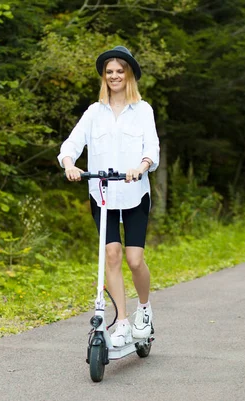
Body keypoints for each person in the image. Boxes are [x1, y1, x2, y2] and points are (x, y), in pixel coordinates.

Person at [57, 46, 160, 347]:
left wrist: (140, 168)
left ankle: (144, 309)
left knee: (134, 259)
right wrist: (70, 165)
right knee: (111, 256)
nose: (114, 75)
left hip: (133, 194)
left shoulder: (143, 110)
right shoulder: (94, 112)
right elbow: (71, 145)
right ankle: (123, 323)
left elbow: (151, 149)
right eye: (109, 71)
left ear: (129, 75)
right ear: (105, 76)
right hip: (101, 194)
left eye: (120, 70)